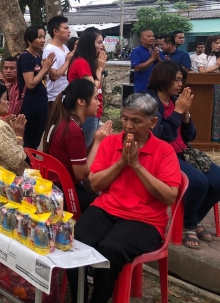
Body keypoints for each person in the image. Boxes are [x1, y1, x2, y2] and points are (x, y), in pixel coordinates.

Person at [68, 92, 181, 303]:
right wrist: (122, 162)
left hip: (145, 220)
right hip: (106, 208)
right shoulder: (110, 143)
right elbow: (94, 184)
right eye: (125, 118)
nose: (128, 125)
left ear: (152, 122)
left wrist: (136, 165)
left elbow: (169, 197)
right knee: (75, 240)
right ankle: (78, 298)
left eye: (136, 121)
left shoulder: (164, 151)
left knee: (110, 249)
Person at [146, 60, 220, 248]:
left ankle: (193, 219)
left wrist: (185, 116)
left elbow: (190, 136)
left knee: (218, 179)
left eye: (181, 80)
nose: (180, 84)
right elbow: (161, 137)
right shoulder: (149, 102)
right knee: (198, 182)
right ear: (163, 78)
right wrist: (178, 112)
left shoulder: (174, 101)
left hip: (182, 152)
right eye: (176, 80)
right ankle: (188, 225)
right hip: (162, 154)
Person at [43, 79, 113, 212]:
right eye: (95, 98)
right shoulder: (72, 130)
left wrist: (95, 141)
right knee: (107, 205)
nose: (99, 103)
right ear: (81, 101)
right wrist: (98, 142)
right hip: (66, 192)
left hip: (55, 186)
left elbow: (80, 157)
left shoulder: (63, 121)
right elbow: (82, 174)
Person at [17, 26, 55, 149]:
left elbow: (41, 79)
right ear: (29, 39)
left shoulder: (38, 57)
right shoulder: (25, 57)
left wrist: (46, 69)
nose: (43, 40)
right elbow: (30, 84)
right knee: (30, 142)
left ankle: (31, 160)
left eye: (43, 37)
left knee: (37, 140)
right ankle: (27, 161)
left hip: (41, 102)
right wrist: (44, 69)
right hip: (32, 104)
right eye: (39, 37)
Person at [68, 27, 107, 148]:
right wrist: (100, 68)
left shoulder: (87, 61)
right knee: (85, 147)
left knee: (90, 146)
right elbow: (93, 87)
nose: (102, 46)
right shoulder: (81, 62)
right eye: (99, 42)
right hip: (85, 110)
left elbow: (99, 84)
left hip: (92, 110)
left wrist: (99, 67)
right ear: (90, 43)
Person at [194, 35, 220, 142]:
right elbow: (201, 72)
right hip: (210, 88)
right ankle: (212, 136)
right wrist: (216, 66)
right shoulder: (203, 57)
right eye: (216, 43)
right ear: (210, 44)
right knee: (213, 111)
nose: (219, 45)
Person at [44, 16, 74, 109]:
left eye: (68, 28)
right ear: (55, 31)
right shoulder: (50, 50)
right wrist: (68, 61)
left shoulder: (65, 48)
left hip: (66, 95)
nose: (69, 31)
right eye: (65, 28)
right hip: (54, 97)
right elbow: (54, 76)